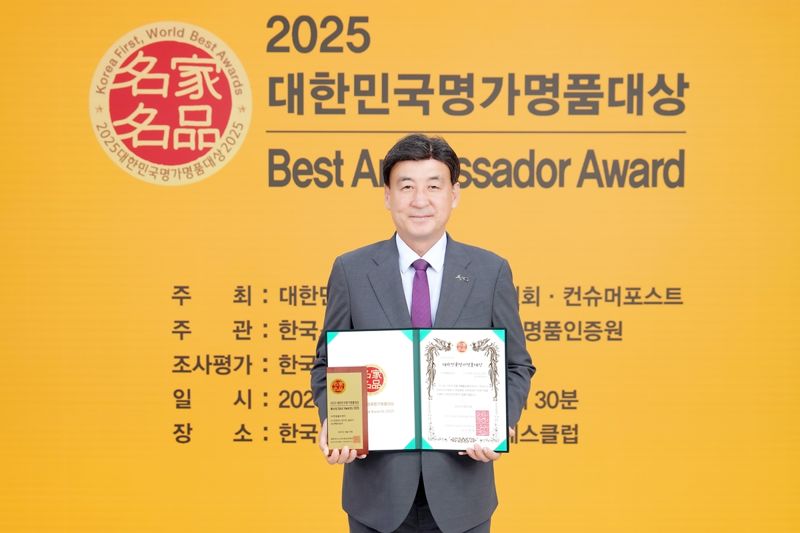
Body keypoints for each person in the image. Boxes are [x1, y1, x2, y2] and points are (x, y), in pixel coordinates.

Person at [311, 134, 535, 533]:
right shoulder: (351, 270)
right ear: (387, 196)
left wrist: (500, 421)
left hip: (462, 492)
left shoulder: (491, 271)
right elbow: (327, 364)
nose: (420, 200)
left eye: (433, 186)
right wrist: (338, 420)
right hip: (375, 495)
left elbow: (516, 364)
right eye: (406, 186)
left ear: (454, 194)